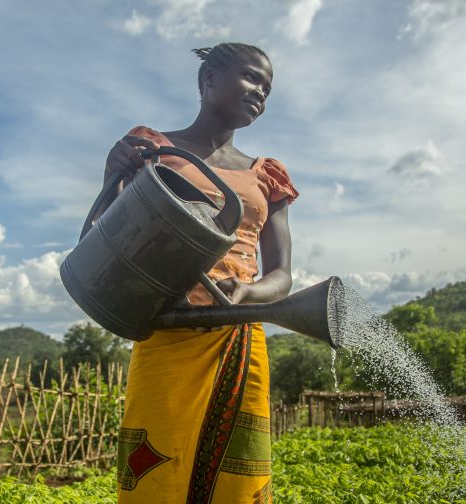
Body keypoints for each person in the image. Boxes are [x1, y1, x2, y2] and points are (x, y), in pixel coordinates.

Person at [105, 42, 298, 504]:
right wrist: (110, 176)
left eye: (267, 88)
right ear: (209, 78)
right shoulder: (151, 149)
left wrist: (247, 293)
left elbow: (283, 275)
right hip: (166, 331)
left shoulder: (265, 175)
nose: (260, 93)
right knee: (153, 468)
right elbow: (109, 242)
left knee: (237, 475)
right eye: (251, 77)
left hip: (237, 335)